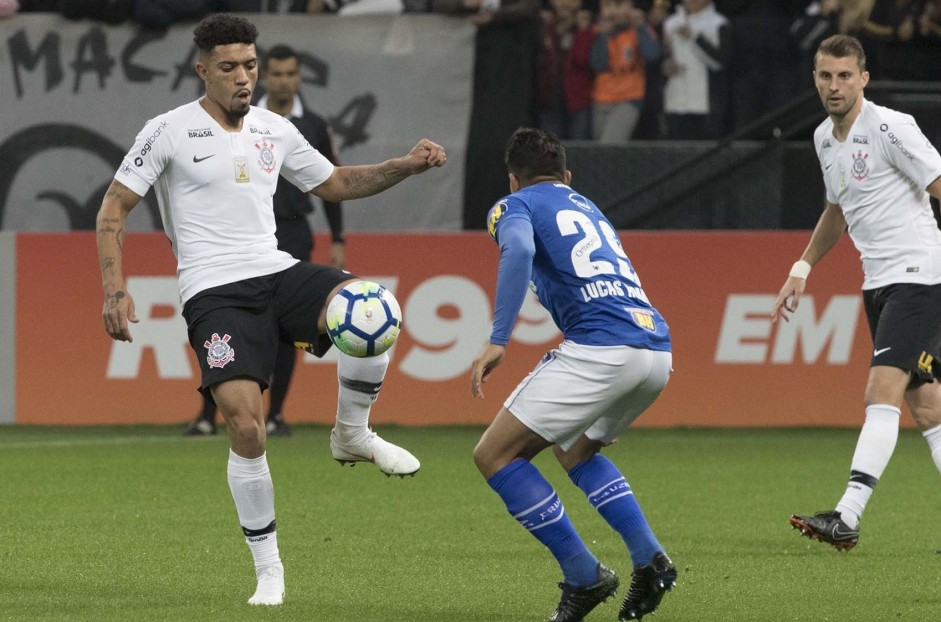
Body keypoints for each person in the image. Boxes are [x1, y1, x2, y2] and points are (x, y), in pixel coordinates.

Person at [96, 13, 445, 605]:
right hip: (214, 291)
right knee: (246, 426)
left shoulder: (274, 129)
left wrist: (403, 166)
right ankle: (270, 571)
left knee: (372, 305)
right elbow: (113, 210)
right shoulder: (167, 130)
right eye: (229, 67)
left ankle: (351, 433)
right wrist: (114, 289)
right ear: (202, 69)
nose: (243, 78)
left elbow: (334, 183)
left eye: (249, 66)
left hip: (275, 270)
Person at [470, 127, 676, 622]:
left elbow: (517, 251)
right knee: (576, 449)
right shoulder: (587, 206)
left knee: (494, 455)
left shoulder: (513, 205)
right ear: (567, 175)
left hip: (602, 349)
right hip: (656, 350)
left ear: (512, 180)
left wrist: (499, 338)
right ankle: (650, 559)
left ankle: (586, 577)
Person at [772, 34, 941, 552]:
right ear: (815, 80)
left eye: (845, 76)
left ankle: (846, 515)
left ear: (863, 79)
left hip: (917, 274)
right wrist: (801, 267)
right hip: (879, 284)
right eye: (826, 76)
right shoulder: (824, 137)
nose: (835, 86)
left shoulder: (891, 127)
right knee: (929, 408)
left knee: (879, 393)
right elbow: (837, 209)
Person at [183, 43, 346, 438]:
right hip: (237, 233)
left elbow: (331, 179)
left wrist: (338, 236)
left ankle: (276, 415)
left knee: (287, 332)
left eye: (292, 74)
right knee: (229, 323)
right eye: (277, 73)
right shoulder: (235, 116)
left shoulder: (312, 125)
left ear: (299, 78)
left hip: (291, 230)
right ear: (266, 77)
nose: (284, 80)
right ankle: (209, 414)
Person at [589, 0, 662, 143]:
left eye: (622, 5)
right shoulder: (601, 30)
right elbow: (598, 64)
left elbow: (652, 55)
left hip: (629, 98)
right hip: (601, 97)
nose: (617, 11)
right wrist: (603, 35)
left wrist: (640, 26)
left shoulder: (640, 29)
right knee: (598, 150)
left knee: (609, 145)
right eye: (612, 6)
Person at [661, 0, 731, 140]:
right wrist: (667, 65)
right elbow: (665, 55)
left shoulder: (719, 23)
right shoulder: (671, 23)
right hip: (676, 103)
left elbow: (719, 63)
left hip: (705, 105)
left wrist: (694, 37)